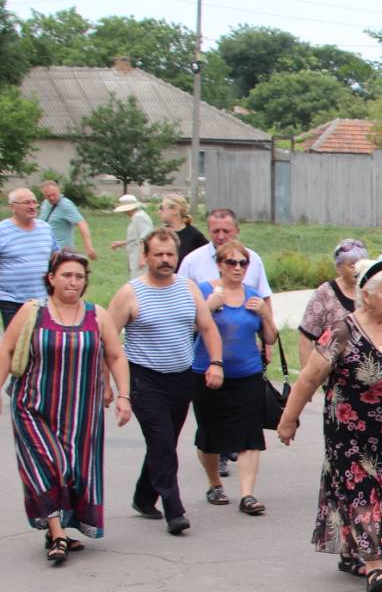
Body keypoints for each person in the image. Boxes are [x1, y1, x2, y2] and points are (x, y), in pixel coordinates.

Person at [277, 259, 382, 592]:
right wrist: (288, 418)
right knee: (362, 489)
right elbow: (310, 378)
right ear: (366, 296)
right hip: (350, 432)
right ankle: (374, 566)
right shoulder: (343, 331)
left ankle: (349, 552)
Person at [3, 250, 132, 562]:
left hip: (81, 414)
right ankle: (59, 536)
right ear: (51, 278)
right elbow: (7, 350)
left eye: (79, 276)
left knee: (73, 471)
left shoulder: (96, 315)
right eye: (66, 275)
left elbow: (115, 355)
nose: (73, 281)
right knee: (50, 465)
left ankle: (55, 526)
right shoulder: (32, 312)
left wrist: (124, 395)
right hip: (32, 406)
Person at [107, 229, 223, 535]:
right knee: (161, 443)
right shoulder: (130, 293)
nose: (165, 260)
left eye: (170, 254)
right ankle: (175, 510)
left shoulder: (189, 289)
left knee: (165, 443)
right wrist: (111, 385)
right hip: (144, 379)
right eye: (158, 254)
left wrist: (215, 362)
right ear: (145, 257)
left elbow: (208, 328)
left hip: (181, 378)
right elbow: (107, 340)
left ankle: (144, 497)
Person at [191, 239, 278, 515]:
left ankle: (247, 494)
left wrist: (266, 315)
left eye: (243, 263)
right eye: (231, 262)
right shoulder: (204, 292)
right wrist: (209, 306)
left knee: (250, 434)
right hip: (208, 374)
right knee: (209, 432)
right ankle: (215, 484)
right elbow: (189, 329)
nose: (238, 267)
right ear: (219, 265)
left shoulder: (253, 296)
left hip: (247, 375)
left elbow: (270, 338)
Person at [297, 239, 365, 368]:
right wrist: (308, 380)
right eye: (352, 265)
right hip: (333, 376)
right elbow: (306, 337)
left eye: (361, 265)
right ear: (339, 268)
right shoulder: (325, 293)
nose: (357, 270)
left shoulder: (369, 290)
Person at [177, 208, 273, 300]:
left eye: (226, 231)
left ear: (237, 231)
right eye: (216, 231)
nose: (221, 236)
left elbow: (264, 297)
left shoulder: (253, 259)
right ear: (208, 231)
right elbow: (180, 299)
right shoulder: (191, 261)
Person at [1, 187, 53, 328]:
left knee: (40, 344)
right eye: (27, 203)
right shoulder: (2, 231)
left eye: (34, 202)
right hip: (11, 300)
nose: (32, 206)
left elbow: (56, 257)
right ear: (13, 207)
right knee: (16, 346)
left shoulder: (45, 229)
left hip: (41, 299)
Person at [38, 180, 96, 259]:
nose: (52, 198)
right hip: (46, 253)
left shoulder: (65, 205)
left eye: (54, 194)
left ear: (59, 190)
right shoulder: (45, 204)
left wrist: (89, 247)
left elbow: (82, 224)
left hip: (62, 254)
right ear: (44, 195)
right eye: (48, 196)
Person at [158, 194, 207, 262]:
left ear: (175, 210)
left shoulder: (194, 235)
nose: (159, 212)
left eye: (162, 208)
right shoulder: (160, 233)